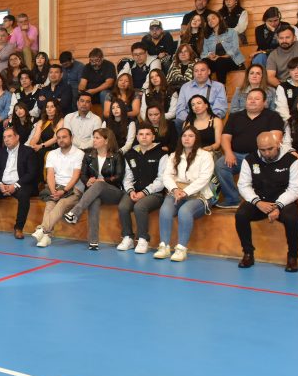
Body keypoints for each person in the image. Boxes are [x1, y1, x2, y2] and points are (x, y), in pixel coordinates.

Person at [234, 132, 298, 272]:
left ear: (278, 144)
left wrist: (278, 206)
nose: (266, 153)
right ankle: (248, 253)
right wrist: (257, 202)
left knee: (292, 219)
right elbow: (243, 185)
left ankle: (292, 257)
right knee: (241, 215)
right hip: (260, 201)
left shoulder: (291, 160)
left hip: (284, 201)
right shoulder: (250, 159)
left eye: (270, 149)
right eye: (262, 150)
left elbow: (295, 189)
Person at [154, 126, 215, 261]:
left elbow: (204, 179)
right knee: (165, 210)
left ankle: (181, 249)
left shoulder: (206, 156)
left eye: (191, 136)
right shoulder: (174, 155)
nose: (187, 139)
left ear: (196, 139)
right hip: (176, 192)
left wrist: (185, 192)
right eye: (184, 136)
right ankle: (164, 246)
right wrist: (175, 190)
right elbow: (166, 176)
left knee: (184, 211)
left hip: (199, 194)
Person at [215, 88, 284, 209]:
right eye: (250, 98)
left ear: (264, 102)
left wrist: (261, 155)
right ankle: (232, 199)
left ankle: (260, 201)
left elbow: (275, 138)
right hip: (237, 156)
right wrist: (228, 153)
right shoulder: (235, 116)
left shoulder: (273, 116)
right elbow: (225, 137)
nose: (252, 101)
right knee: (221, 165)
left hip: (260, 157)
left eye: (257, 99)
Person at [62, 128, 125, 250]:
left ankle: (75, 213)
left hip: (113, 191)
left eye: (97, 138)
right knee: (94, 201)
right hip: (94, 192)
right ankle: (93, 241)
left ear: (106, 141)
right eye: (93, 138)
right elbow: (83, 175)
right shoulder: (89, 155)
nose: (94, 140)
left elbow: (119, 176)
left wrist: (103, 180)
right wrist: (88, 181)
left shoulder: (117, 155)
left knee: (99, 184)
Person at [0, 127, 40, 238]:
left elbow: (31, 173)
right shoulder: (1, 151)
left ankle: (18, 228)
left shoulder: (28, 151)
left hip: (20, 184)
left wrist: (16, 185)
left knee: (24, 196)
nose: (6, 139)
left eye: (9, 136)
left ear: (17, 137)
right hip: (3, 185)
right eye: (4, 137)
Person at [117, 122, 168, 254]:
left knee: (140, 207)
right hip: (134, 191)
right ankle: (128, 237)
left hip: (155, 193)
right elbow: (127, 177)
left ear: (153, 137)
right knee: (123, 207)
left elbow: (162, 179)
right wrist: (130, 191)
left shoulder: (162, 154)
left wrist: (144, 192)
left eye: (147, 134)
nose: (144, 137)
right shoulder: (130, 154)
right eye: (141, 134)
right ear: (137, 137)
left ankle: (143, 239)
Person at [32, 128, 84, 248]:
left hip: (73, 189)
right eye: (59, 138)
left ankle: (42, 229)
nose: (61, 140)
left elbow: (76, 176)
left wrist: (64, 191)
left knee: (62, 203)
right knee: (50, 204)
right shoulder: (52, 154)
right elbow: (50, 174)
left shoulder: (79, 154)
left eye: (64, 137)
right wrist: (53, 191)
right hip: (56, 187)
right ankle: (46, 237)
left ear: (71, 138)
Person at [174, 60, 227, 128]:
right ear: (193, 73)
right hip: (188, 121)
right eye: (196, 71)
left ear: (209, 71)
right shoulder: (185, 87)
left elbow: (220, 109)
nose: (199, 73)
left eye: (202, 70)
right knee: (176, 123)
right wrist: (190, 120)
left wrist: (204, 120)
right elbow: (180, 109)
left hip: (208, 121)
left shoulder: (218, 87)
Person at [202, 10, 245, 83]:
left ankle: (222, 86)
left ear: (220, 18)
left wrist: (222, 57)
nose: (211, 21)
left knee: (220, 61)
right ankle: (206, 86)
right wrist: (209, 55)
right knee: (205, 62)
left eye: (213, 18)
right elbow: (204, 53)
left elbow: (235, 49)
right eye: (208, 20)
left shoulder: (231, 32)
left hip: (232, 60)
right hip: (216, 62)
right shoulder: (207, 37)